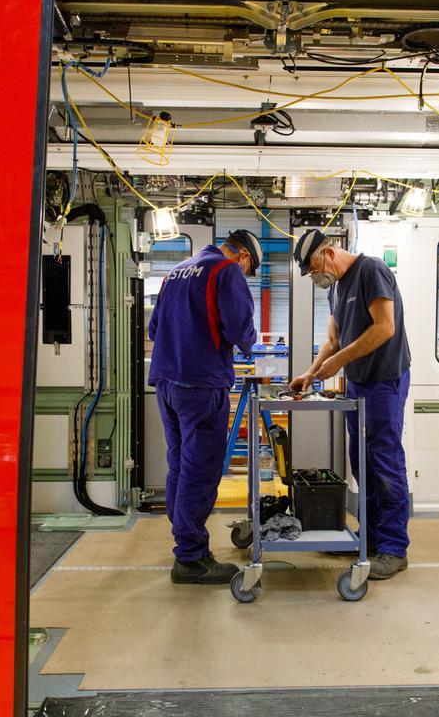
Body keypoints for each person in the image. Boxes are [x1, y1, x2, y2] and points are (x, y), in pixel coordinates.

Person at [290, 229, 412, 580]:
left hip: (384, 380)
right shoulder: (339, 289)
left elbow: (385, 327)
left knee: (385, 461)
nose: (315, 277)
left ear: (328, 252)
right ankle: (370, 537)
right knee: (361, 461)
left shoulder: (371, 271)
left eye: (314, 268)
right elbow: (333, 338)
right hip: (357, 384)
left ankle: (393, 547)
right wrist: (311, 374)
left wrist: (339, 361)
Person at [149, 228, 262, 584]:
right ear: (243, 257)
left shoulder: (175, 272)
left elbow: (155, 330)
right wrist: (246, 340)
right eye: (248, 270)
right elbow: (241, 332)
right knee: (202, 468)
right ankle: (191, 557)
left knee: (179, 463)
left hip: (166, 382)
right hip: (201, 384)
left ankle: (184, 538)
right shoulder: (225, 271)